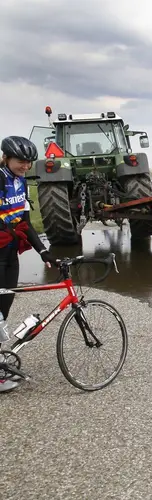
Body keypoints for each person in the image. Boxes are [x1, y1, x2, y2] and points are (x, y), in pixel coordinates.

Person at [0, 136, 56, 394]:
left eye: (29, 162)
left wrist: (44, 251)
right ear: (7, 158)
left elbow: (24, 221)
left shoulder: (20, 181)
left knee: (3, 309)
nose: (25, 166)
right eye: (21, 161)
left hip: (10, 253)